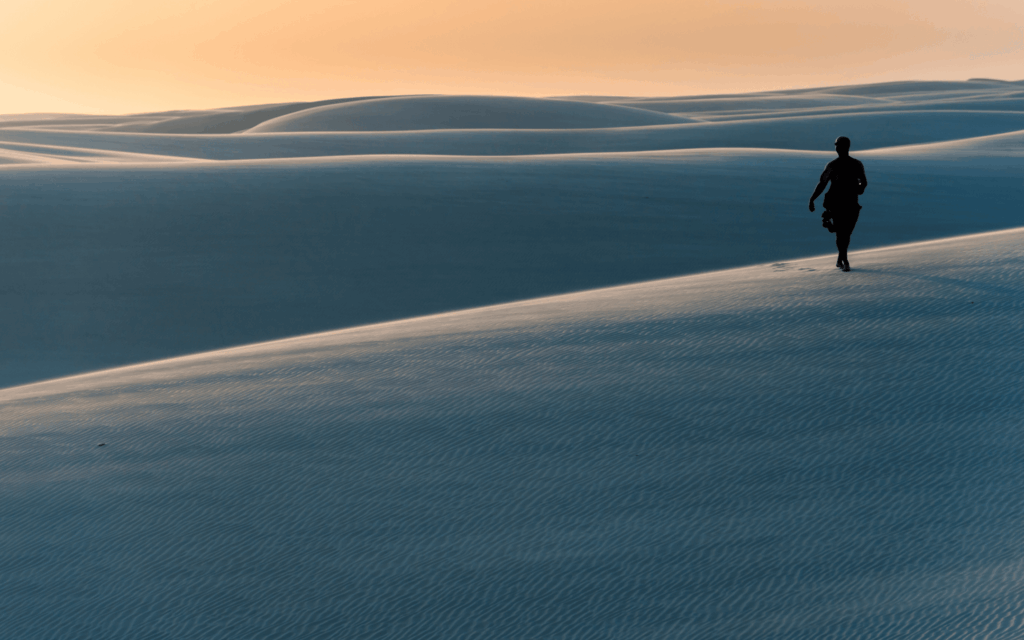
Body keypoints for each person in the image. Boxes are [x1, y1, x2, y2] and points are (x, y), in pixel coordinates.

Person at [808, 136, 868, 271]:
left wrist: (860, 188)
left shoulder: (853, 164)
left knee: (845, 233)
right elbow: (822, 183)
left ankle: (840, 258)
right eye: (837, 145)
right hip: (837, 204)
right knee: (842, 233)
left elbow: (863, 182)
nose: (837, 148)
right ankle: (845, 260)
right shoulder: (834, 165)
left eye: (839, 145)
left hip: (851, 204)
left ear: (846, 147)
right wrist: (812, 199)